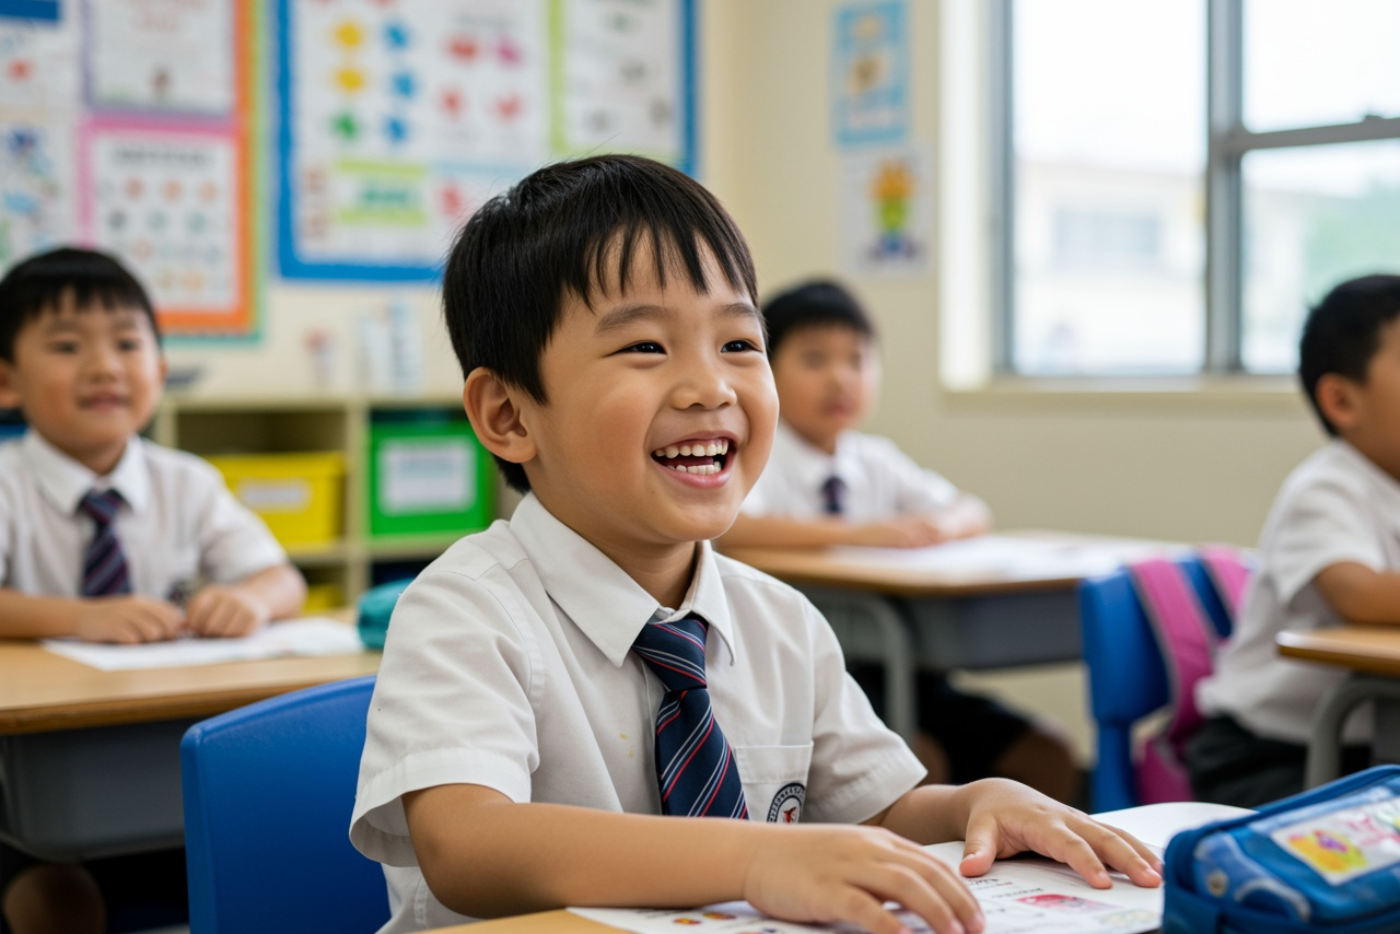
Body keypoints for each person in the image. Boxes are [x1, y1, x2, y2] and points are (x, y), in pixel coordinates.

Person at [349, 155, 1160, 934]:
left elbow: (874, 809)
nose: (713, 387)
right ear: (509, 415)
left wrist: (971, 803)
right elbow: (466, 843)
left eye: (739, 343)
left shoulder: (780, 621)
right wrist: (757, 858)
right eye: (645, 347)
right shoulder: (467, 610)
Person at [0, 247, 307, 934]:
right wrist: (83, 619)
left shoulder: (186, 482)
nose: (105, 365)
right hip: (30, 799)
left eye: (128, 343)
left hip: (163, 778)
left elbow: (280, 577)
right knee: (56, 902)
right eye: (67, 345)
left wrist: (251, 600)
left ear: (159, 373)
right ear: (6, 382)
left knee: (274, 860)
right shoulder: (7, 483)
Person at [718, 280, 1080, 804]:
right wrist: (859, 535)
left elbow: (970, 509)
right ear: (765, 370)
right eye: (815, 360)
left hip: (909, 670)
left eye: (858, 360)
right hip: (809, 676)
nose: (840, 378)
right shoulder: (756, 455)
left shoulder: (874, 458)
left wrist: (936, 529)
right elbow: (735, 524)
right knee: (916, 763)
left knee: (1046, 748)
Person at [1189, 274, 1400, 809]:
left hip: (1369, 744)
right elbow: (1362, 596)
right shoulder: (1327, 487)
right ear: (1342, 401)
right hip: (1271, 755)